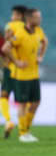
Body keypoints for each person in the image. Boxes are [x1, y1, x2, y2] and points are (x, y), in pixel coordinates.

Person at [2, 8, 48, 142]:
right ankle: (23, 133)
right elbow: (5, 48)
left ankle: (26, 129)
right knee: (22, 104)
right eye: (37, 17)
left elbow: (45, 42)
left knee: (36, 102)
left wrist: (41, 56)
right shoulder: (20, 33)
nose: (40, 20)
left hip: (34, 74)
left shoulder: (39, 30)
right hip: (21, 75)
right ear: (29, 19)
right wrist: (16, 62)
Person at [0, 5, 27, 139]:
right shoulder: (28, 29)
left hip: (10, 66)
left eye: (14, 14)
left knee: (4, 95)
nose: (12, 17)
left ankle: (9, 120)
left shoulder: (10, 26)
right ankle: (24, 129)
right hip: (24, 69)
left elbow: (6, 44)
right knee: (23, 100)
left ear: (20, 15)